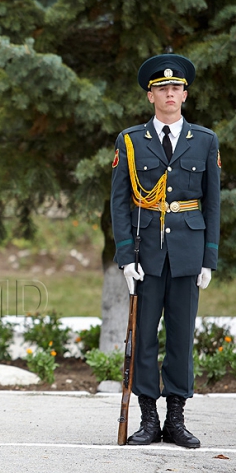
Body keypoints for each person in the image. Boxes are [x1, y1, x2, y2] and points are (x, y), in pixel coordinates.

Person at [111, 54, 220, 449]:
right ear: (150, 96)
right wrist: (125, 255)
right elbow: (119, 202)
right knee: (143, 339)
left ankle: (175, 418)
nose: (169, 93)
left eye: (176, 88)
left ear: (185, 95)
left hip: (188, 251)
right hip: (146, 252)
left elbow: (212, 204)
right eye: (162, 88)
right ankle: (148, 417)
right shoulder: (130, 140)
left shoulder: (205, 140)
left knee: (180, 337)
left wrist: (209, 257)